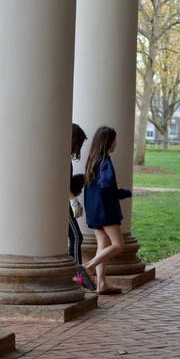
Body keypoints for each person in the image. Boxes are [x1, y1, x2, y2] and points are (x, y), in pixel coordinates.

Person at [82, 126, 131, 295]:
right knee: (118, 245)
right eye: (115, 140)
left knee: (103, 244)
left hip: (93, 210)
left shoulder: (92, 161)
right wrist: (124, 193)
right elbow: (106, 187)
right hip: (106, 210)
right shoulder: (105, 162)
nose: (116, 143)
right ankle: (88, 267)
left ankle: (101, 284)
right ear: (109, 142)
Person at [68, 123, 95, 291]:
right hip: (63, 204)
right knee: (77, 237)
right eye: (77, 142)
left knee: (76, 237)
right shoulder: (62, 158)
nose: (78, 148)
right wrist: (73, 200)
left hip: (65, 201)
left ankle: (74, 272)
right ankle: (77, 273)